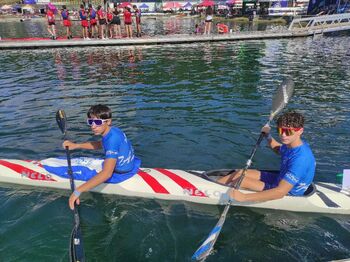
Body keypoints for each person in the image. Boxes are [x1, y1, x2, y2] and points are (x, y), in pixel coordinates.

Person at [217, 111, 316, 202]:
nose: (283, 135)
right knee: (240, 173)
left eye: (288, 131)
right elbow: (278, 149)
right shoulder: (292, 145)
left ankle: (211, 193)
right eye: (280, 130)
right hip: (279, 179)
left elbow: (280, 192)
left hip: (288, 192)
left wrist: (244, 197)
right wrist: (267, 136)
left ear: (300, 131)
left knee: (240, 180)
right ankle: (212, 186)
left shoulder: (301, 159)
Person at [63, 104, 137, 210]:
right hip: (130, 165)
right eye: (90, 122)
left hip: (120, 172)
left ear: (108, 121)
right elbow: (101, 144)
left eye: (97, 122)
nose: (93, 126)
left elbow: (107, 174)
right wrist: (76, 145)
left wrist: (77, 191)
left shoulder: (111, 140)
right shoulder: (113, 131)